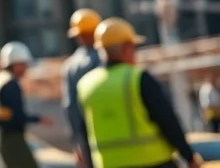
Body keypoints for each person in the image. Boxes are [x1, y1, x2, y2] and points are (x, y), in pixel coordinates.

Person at [76, 18, 201, 168]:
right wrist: (188, 156)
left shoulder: (86, 84)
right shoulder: (137, 78)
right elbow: (167, 120)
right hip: (153, 162)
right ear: (127, 48)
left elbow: (83, 133)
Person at [0, 41, 49, 168]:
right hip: (12, 138)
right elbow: (17, 114)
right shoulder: (10, 84)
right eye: (24, 64)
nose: (26, 68)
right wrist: (37, 119)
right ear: (16, 64)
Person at [62, 8, 102, 167]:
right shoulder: (106, 57)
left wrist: (76, 142)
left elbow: (70, 107)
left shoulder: (71, 66)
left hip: (87, 133)